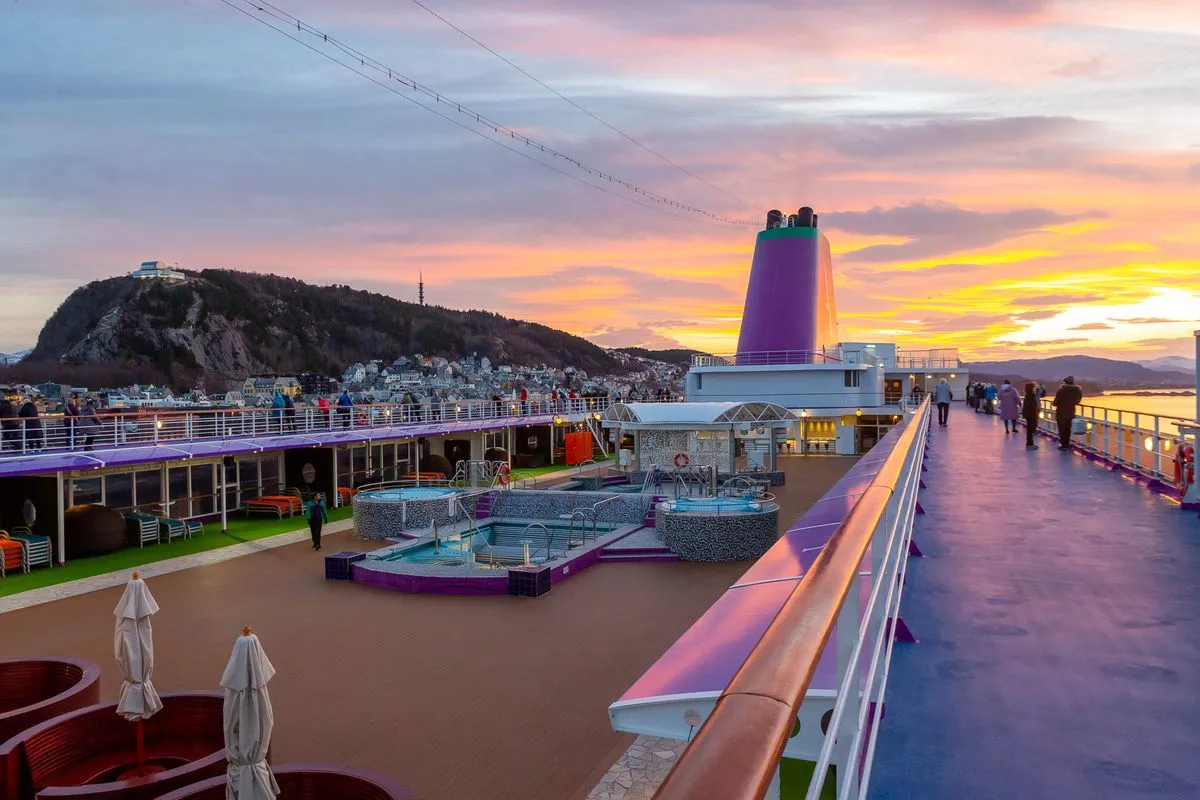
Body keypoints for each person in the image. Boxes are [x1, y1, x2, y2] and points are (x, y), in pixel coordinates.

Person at [1052, 376, 1084, 449]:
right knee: (1068, 429)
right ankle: (1066, 444)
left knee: (1062, 429)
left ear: (1064, 382)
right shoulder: (1077, 390)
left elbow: (1055, 403)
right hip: (1071, 412)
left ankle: (1063, 445)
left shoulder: (1061, 390)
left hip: (1061, 412)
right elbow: (1077, 401)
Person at [1021, 382, 1040, 450]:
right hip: (1031, 415)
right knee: (1030, 430)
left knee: (1030, 429)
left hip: (1028, 414)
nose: (1035, 388)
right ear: (1031, 388)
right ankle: (1029, 444)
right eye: (1034, 387)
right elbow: (1032, 406)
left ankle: (1030, 444)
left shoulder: (1028, 395)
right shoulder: (1031, 396)